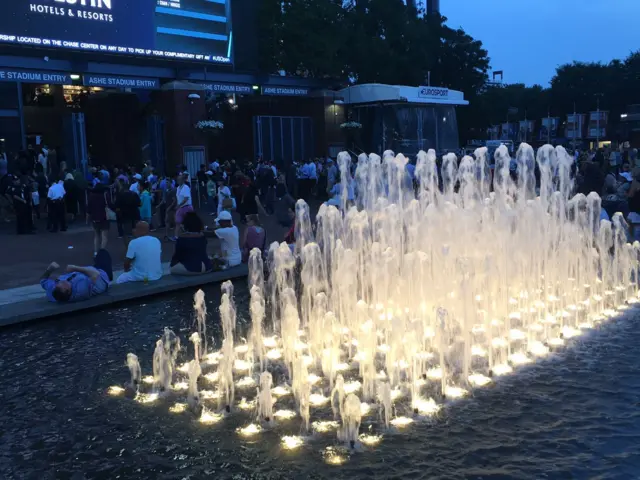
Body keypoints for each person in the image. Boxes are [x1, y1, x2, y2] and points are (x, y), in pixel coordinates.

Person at [40, 250, 112, 303]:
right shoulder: (81, 289)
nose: (62, 282)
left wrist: (49, 269)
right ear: (69, 291)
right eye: (64, 284)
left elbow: (43, 281)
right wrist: (75, 268)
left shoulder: (53, 292)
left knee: (96, 258)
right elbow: (96, 274)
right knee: (102, 253)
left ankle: (95, 259)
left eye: (57, 285)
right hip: (102, 276)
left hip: (86, 272)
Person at [87, 185, 112, 256]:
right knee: (104, 236)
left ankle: (95, 251)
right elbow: (110, 205)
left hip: (94, 218)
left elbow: (88, 209)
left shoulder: (91, 196)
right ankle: (102, 251)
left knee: (96, 235)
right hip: (104, 218)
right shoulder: (105, 196)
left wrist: (88, 219)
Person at [172, 174, 193, 241]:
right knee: (177, 222)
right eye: (177, 179)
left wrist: (179, 205)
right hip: (180, 207)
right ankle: (176, 236)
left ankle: (192, 235)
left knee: (190, 222)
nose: (178, 181)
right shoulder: (178, 188)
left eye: (180, 179)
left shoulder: (186, 187)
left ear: (183, 180)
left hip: (187, 207)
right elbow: (178, 198)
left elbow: (186, 198)